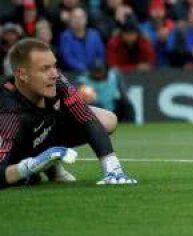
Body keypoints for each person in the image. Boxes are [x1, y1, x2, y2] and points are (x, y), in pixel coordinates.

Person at [1, 38, 136, 187]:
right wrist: (32, 165)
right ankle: (45, 163)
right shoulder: (8, 112)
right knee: (23, 180)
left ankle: (49, 161)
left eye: (54, 66)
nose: (54, 74)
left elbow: (85, 115)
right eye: (45, 69)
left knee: (107, 120)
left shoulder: (56, 80)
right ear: (22, 75)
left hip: (41, 132)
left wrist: (111, 165)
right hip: (18, 150)